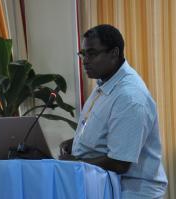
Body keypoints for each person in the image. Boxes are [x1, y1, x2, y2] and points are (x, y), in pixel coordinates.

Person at [59, 24, 168, 198]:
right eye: (83, 54)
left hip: (133, 192)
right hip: (109, 185)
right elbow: (107, 130)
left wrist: (76, 162)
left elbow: (120, 162)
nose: (85, 60)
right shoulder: (106, 82)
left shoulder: (130, 97)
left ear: (114, 53)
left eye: (92, 54)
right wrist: (76, 142)